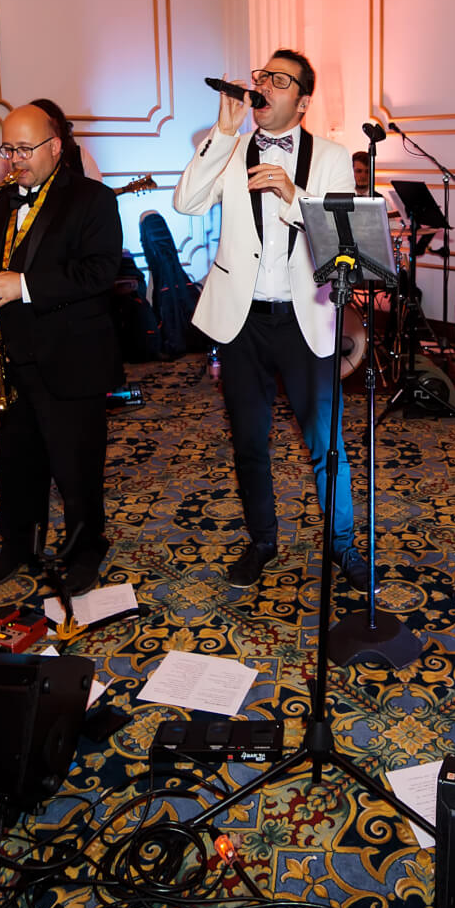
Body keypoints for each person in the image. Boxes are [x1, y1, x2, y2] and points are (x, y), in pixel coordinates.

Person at [174, 49, 364, 589]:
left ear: (303, 101)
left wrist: (292, 194)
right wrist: (222, 132)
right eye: (262, 76)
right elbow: (187, 202)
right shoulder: (229, 149)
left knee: (326, 444)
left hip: (308, 319)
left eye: (280, 80)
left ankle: (343, 546)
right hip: (243, 322)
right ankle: (262, 541)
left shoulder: (332, 156)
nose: (264, 86)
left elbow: (342, 240)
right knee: (249, 443)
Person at [0, 100, 125, 593]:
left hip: (70, 356)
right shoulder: (0, 204)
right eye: (7, 149)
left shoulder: (93, 198)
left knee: (76, 466)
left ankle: (86, 548)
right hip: (14, 354)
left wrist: (22, 285)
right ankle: (19, 543)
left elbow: (100, 272)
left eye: (24, 148)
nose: (14, 159)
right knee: (16, 461)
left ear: (55, 147)